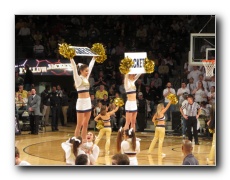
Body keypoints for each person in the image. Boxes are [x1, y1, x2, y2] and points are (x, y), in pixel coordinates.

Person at [70, 57, 96, 142]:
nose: (87, 72)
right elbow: (74, 68)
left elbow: (91, 67)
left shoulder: (86, 78)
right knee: (79, 124)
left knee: (85, 124)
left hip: (88, 101)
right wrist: (71, 58)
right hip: (81, 103)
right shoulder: (78, 79)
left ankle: (84, 140)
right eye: (86, 71)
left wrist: (93, 58)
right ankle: (77, 142)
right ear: (81, 71)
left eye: (88, 71)